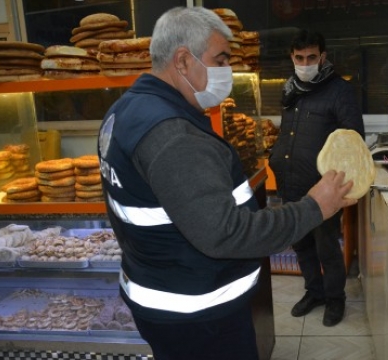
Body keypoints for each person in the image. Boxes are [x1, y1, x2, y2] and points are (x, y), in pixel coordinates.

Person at [97, 7, 356, 360]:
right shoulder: (173, 135)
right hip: (198, 316)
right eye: (220, 59)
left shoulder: (125, 110)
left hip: (165, 296)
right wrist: (313, 207)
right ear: (183, 61)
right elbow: (227, 232)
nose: (227, 71)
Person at [269, 29, 365, 327]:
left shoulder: (340, 91)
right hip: (290, 181)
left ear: (322, 57)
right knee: (300, 244)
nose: (305, 62)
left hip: (323, 187)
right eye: (299, 57)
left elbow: (353, 141)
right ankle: (315, 293)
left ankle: (335, 299)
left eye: (312, 57)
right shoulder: (290, 89)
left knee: (326, 247)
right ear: (292, 57)